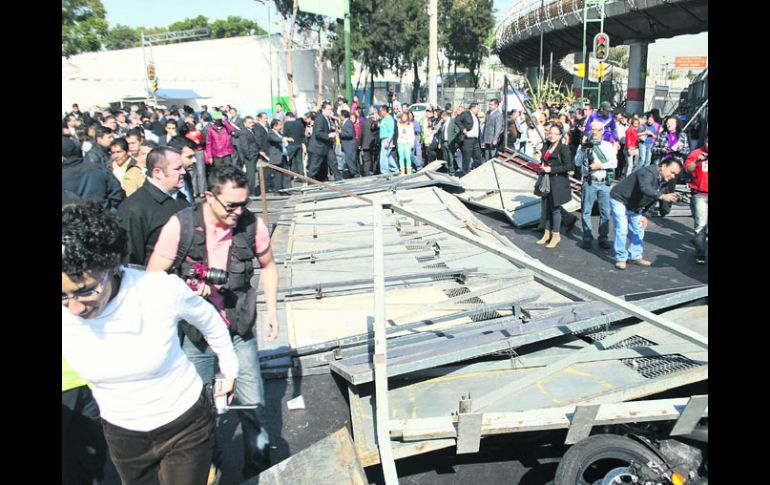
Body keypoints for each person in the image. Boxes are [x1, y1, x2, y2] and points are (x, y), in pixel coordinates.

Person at [62, 201, 239, 485]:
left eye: (85, 292)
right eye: (63, 296)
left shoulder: (157, 290)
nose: (74, 308)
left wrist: (230, 369)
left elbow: (209, 319)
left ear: (111, 265)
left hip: (184, 424)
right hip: (123, 436)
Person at [147, 165, 279, 478]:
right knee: (198, 411)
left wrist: (272, 310)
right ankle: (209, 468)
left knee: (252, 405)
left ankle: (259, 471)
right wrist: (186, 288)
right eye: (231, 205)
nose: (238, 211)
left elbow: (269, 266)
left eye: (244, 203)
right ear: (209, 196)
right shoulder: (181, 226)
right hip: (196, 334)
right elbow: (152, 277)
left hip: (237, 329)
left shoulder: (250, 224)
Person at [117, 147, 191, 266]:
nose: (184, 172)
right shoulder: (134, 208)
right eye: (177, 168)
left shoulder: (180, 200)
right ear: (158, 173)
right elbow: (130, 260)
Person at [610, 158, 682, 269]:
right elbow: (646, 189)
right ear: (663, 166)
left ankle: (635, 256)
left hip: (635, 204)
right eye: (672, 172)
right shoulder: (648, 172)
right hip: (620, 199)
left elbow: (652, 199)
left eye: (675, 175)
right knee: (622, 228)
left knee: (639, 229)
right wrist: (662, 196)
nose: (672, 176)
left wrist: (645, 215)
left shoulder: (663, 181)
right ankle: (621, 258)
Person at [575, 120, 618, 250]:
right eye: (592, 129)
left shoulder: (607, 146)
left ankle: (603, 238)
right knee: (586, 211)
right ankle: (587, 237)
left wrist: (601, 165)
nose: (594, 132)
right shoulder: (584, 146)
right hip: (590, 181)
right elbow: (577, 163)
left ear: (602, 131)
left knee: (605, 212)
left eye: (597, 130)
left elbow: (614, 163)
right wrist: (582, 149)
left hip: (604, 182)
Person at [535, 124, 577, 249]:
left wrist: (551, 169)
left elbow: (568, 166)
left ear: (560, 136)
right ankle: (546, 233)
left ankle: (556, 234)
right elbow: (544, 160)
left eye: (555, 133)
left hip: (558, 181)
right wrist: (540, 164)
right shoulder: (546, 145)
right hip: (546, 180)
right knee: (546, 208)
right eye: (550, 133)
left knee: (555, 209)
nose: (551, 135)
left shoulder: (563, 148)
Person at [652, 116, 690, 216]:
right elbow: (653, 148)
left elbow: (687, 151)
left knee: (671, 186)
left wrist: (680, 149)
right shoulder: (662, 134)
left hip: (675, 165)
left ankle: (667, 206)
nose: (668, 125)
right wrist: (662, 150)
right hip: (663, 163)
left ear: (677, 124)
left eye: (671, 123)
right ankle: (662, 206)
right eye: (667, 123)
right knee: (661, 185)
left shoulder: (682, 135)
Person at [684, 135, 708, 264]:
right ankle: (701, 252)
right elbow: (687, 169)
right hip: (700, 194)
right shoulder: (696, 153)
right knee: (700, 225)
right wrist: (698, 161)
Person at [307, 101, 341, 181]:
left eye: (331, 109)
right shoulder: (320, 119)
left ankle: (338, 178)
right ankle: (310, 182)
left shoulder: (327, 118)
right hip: (318, 146)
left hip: (327, 145)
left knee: (333, 161)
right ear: (323, 109)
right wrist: (328, 135)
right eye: (328, 109)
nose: (330, 111)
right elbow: (318, 133)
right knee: (315, 166)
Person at [454, 102, 483, 175]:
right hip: (468, 139)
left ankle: (477, 172)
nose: (478, 110)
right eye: (477, 108)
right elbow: (457, 120)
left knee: (478, 157)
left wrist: (481, 140)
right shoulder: (466, 114)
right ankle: (465, 173)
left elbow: (478, 128)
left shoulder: (476, 116)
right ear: (472, 108)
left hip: (476, 140)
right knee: (466, 157)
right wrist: (463, 129)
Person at [267, 118, 294, 191]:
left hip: (283, 156)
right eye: (279, 125)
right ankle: (278, 190)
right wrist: (286, 139)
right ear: (274, 126)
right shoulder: (270, 133)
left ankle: (287, 189)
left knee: (285, 174)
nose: (281, 126)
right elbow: (276, 139)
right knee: (278, 176)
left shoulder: (279, 133)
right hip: (276, 157)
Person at [283, 112, 306, 179]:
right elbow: (302, 134)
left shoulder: (287, 124)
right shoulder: (300, 123)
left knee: (288, 160)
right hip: (299, 144)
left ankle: (289, 175)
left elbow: (285, 134)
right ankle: (301, 176)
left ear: (288, 117)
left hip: (291, 144)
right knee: (299, 161)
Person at [339, 110, 360, 178]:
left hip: (350, 145)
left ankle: (355, 173)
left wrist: (340, 133)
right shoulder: (345, 122)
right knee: (348, 159)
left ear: (343, 116)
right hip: (346, 145)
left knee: (350, 159)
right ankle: (352, 173)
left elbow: (350, 134)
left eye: (340, 115)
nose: (339, 116)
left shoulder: (348, 123)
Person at [377, 105, 398, 175]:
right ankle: (394, 169)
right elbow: (381, 126)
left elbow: (391, 131)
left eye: (380, 111)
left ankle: (385, 171)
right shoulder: (384, 119)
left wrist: (388, 141)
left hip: (387, 139)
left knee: (383, 156)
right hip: (383, 139)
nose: (380, 112)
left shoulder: (389, 119)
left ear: (384, 111)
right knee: (388, 156)